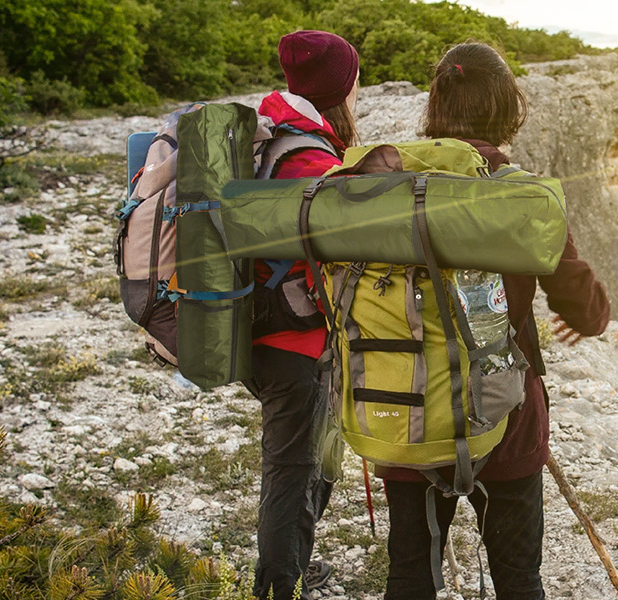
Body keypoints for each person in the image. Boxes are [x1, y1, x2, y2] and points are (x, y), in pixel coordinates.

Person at [376, 42, 612, 600]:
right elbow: (585, 305)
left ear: (436, 104)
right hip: (503, 417)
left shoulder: (385, 185)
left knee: (409, 575)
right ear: (508, 109)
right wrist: (587, 317)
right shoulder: (520, 194)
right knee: (517, 578)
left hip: (407, 408)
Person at [243, 29, 359, 600]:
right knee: (292, 472)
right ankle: (279, 585)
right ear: (340, 89)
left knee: (310, 463)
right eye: (355, 81)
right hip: (296, 344)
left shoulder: (275, 137)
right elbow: (338, 262)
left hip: (262, 329)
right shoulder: (311, 159)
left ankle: (291, 564)